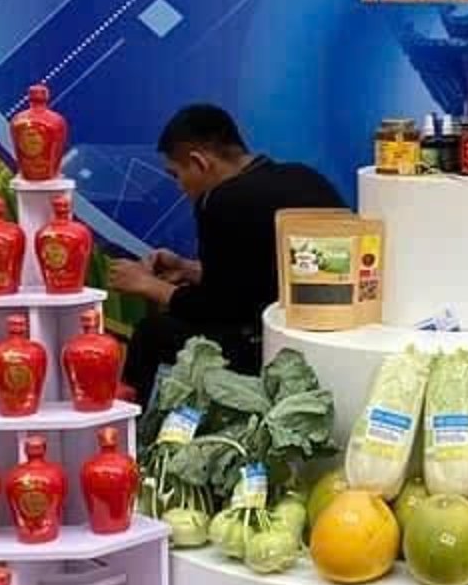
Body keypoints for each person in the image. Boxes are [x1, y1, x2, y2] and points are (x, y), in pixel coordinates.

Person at [107, 104, 347, 396]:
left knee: (153, 332)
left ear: (199, 162)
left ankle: (131, 432)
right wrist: (188, 268)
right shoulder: (304, 176)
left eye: (176, 174)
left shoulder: (221, 201)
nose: (180, 187)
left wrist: (147, 285)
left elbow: (218, 310)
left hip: (265, 349)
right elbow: (259, 280)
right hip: (325, 335)